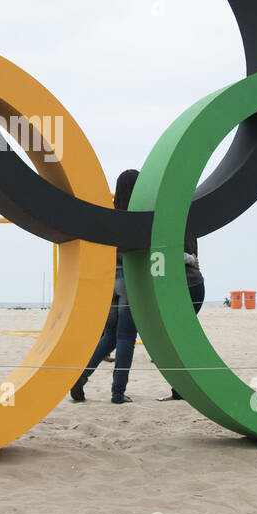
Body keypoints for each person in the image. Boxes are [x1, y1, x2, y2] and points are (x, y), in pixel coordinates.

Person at [71, 169, 142, 404]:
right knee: (125, 337)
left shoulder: (109, 213)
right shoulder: (138, 215)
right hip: (129, 280)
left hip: (109, 280)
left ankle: (81, 376)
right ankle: (118, 393)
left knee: (110, 335)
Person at [157, 234, 206, 401]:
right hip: (192, 284)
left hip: (187, 285)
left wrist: (190, 259)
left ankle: (182, 390)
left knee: (180, 338)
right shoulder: (188, 223)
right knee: (183, 337)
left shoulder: (177, 225)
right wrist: (190, 259)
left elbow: (170, 253)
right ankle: (182, 389)